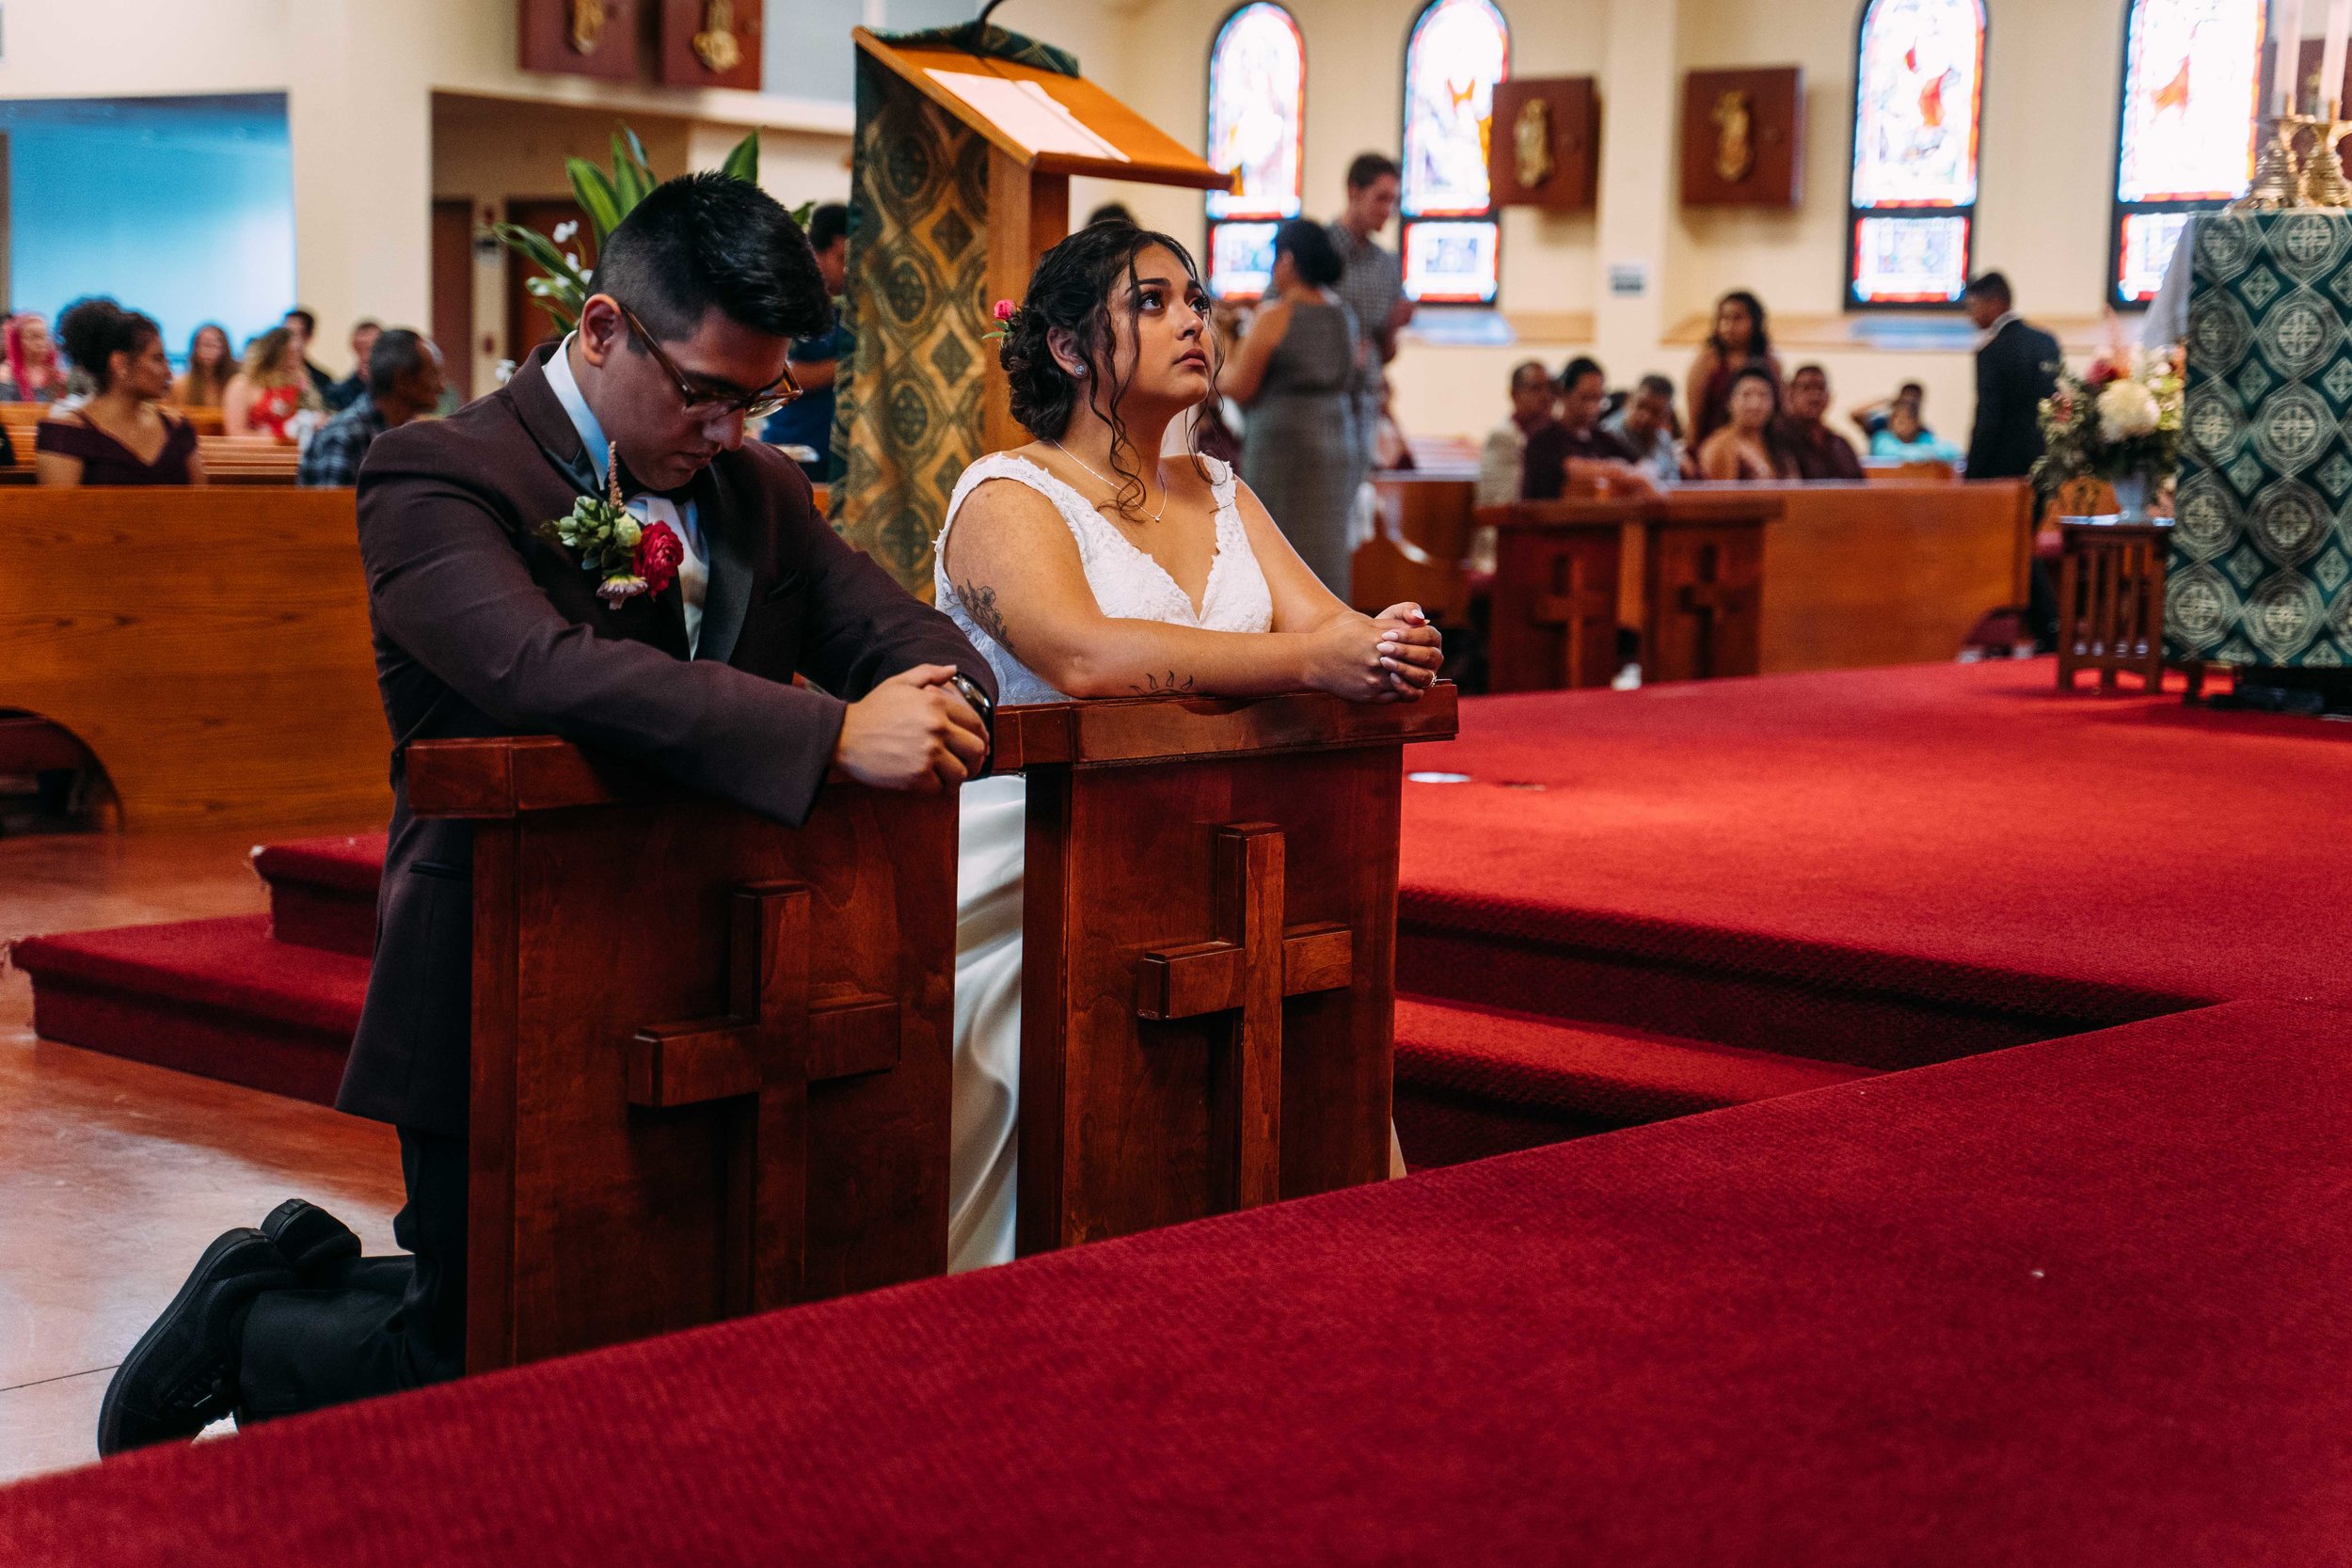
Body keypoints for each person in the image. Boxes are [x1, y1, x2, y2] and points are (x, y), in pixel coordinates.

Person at [98, 172, 996, 1455]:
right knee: (476, 1355)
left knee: (646, 1308)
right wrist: (829, 732)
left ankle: (304, 1279)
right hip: (497, 969)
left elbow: (890, 628)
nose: (732, 430)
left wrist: (945, 685)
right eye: (705, 390)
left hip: (707, 958)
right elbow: (538, 668)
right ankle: (249, 1323)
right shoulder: (437, 472)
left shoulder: (760, 493)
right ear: (600, 328)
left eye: (763, 395)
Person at [932, 221, 1442, 1272]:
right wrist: (1314, 660)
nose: (1193, 322)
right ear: (1071, 350)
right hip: (1038, 851)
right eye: (1151, 302)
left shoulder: (1221, 490)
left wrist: (1389, 638)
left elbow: (1327, 627)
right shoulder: (1005, 495)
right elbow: (1084, 656)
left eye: (1198, 301)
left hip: (1216, 851)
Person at [1225, 218, 1362, 598]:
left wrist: (1212, 364)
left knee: (1278, 544)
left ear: (1287, 260)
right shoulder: (1343, 315)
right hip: (1337, 438)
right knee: (1326, 546)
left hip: (1285, 444)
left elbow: (1240, 386)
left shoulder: (1276, 315)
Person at [35, 298, 203, 487]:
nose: (169, 372)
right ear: (120, 363)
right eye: (157, 359)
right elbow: (60, 512)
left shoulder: (176, 428)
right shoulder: (67, 432)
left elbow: (202, 506)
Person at [1328, 153, 1411, 482]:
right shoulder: (1318, 252)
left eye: (1393, 201)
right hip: (1324, 400)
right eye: (1381, 198)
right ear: (1353, 192)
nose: (1388, 210)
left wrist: (1392, 327)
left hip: (1365, 403)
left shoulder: (1387, 265)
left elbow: (1386, 353)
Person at [758, 201, 850, 481]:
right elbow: (782, 376)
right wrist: (851, 366)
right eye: (842, 259)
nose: (848, 272)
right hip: (794, 448)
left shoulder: (843, 308)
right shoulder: (788, 301)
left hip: (832, 452)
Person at [298, 329, 446, 486]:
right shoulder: (344, 436)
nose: (442, 387)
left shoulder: (409, 430)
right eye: (432, 375)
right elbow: (332, 509)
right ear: (402, 381)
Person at [1963, 272, 2060, 481]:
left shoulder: (1991, 352)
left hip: (2000, 467)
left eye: (1973, 306)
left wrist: (1973, 470)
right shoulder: (2046, 342)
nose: (1970, 316)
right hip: (2042, 459)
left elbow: (1988, 416)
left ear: (1995, 303)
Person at [1522, 356, 1660, 502]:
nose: (1593, 407)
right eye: (1585, 398)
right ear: (1564, 394)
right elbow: (1573, 468)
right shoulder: (1544, 439)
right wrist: (1617, 470)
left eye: (1598, 399)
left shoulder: (1600, 438)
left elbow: (1643, 465)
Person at [1686, 290, 1780, 446]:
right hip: (1714, 443)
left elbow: (1777, 409)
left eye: (1738, 318)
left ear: (1755, 321)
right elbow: (1695, 417)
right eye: (1724, 318)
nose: (1729, 326)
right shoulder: (1707, 361)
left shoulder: (1770, 361)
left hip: (1759, 444)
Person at [1479, 359, 1558, 508]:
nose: (1546, 396)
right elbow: (1505, 503)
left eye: (1551, 389)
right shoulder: (1502, 438)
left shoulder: (1555, 435)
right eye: (1536, 388)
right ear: (1514, 394)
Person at [1695, 365, 1795, 481]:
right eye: (1746, 395)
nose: (1755, 404)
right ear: (1729, 402)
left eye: (1763, 395)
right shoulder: (1719, 446)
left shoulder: (1779, 443)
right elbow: (1720, 496)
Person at [224, 326, 318, 442]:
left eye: (299, 352)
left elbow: (311, 415)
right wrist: (278, 437)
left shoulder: (300, 381)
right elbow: (236, 434)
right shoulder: (242, 384)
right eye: (289, 354)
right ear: (272, 355)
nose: (295, 360)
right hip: (257, 453)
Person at [1773, 363, 1863, 481]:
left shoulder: (1839, 443)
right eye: (1806, 388)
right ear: (1790, 395)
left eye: (1820, 388)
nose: (1814, 396)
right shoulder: (1777, 439)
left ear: (1829, 397)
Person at [1603, 372, 1686, 485]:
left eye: (1655, 412)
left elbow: (1675, 485)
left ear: (1667, 416)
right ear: (1628, 401)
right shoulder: (1607, 435)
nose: (1645, 417)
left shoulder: (1664, 439)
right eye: (1640, 406)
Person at [1869, 395, 1963, 464]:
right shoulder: (1882, 439)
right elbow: (1889, 453)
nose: (1906, 425)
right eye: (1901, 422)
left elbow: (1951, 451)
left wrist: (1930, 454)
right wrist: (1924, 455)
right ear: (1891, 423)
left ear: (1917, 423)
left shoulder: (1924, 437)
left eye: (1910, 420)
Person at [0, 312, 66, 404]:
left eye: (44, 336)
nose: (41, 343)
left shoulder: (57, 376)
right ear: (17, 341)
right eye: (34, 337)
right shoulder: (5, 375)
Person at [320, 319, 381, 413]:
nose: (366, 355)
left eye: (371, 347)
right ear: (353, 346)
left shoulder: (394, 391)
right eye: (361, 347)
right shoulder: (337, 392)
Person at [172, 323, 235, 408]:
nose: (207, 350)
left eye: (213, 345)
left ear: (224, 349)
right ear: (194, 349)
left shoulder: (233, 385)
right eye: (204, 344)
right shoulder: (179, 385)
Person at [283, 307, 338, 404]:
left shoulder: (322, 380)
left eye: (294, 334)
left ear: (309, 337)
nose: (288, 340)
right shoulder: (266, 374)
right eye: (284, 334)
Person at [1849, 379, 1928, 440]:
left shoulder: (1923, 432)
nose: (1908, 405)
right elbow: (1855, 414)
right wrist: (1885, 401)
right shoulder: (1881, 425)